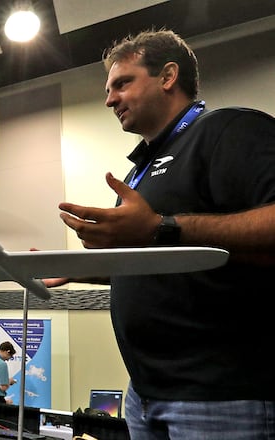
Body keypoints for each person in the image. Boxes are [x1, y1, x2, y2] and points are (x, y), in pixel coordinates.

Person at [49, 29, 275, 439]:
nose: (110, 100)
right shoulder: (141, 170)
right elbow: (164, 261)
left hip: (220, 396)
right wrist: (79, 268)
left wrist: (160, 226)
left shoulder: (228, 129)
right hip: (144, 394)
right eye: (108, 89)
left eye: (122, 83)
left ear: (168, 76)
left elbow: (169, 235)